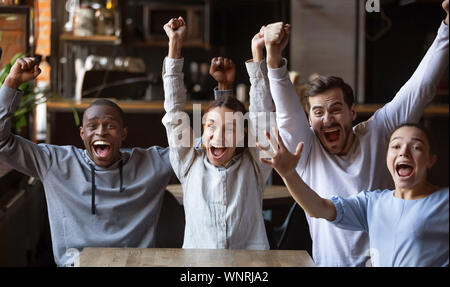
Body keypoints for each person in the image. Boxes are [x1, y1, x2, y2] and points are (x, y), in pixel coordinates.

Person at [263, 1, 449, 266]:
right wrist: (273, 59)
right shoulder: (306, 148)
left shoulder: (380, 131)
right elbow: (286, 111)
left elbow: (421, 88)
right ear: (309, 118)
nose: (327, 119)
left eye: (336, 109)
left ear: (353, 111)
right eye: (317, 112)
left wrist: (447, 29)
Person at [0, 57, 175, 266]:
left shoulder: (151, 162)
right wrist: (11, 83)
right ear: (82, 134)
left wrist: (224, 91)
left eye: (110, 126)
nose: (101, 131)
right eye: (92, 126)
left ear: (123, 134)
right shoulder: (55, 162)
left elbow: (204, 148)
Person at [257, 124, 449, 267]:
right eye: (396, 146)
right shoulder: (373, 203)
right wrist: (288, 174)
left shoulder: (444, 201)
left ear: (431, 160)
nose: (404, 152)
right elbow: (319, 208)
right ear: (388, 156)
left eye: (416, 147)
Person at [162, 17, 274, 249]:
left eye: (230, 129)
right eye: (210, 126)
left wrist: (257, 54)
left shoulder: (255, 165)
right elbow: (174, 113)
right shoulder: (188, 163)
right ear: (202, 130)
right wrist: (175, 45)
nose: (219, 136)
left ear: (244, 134)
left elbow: (262, 114)